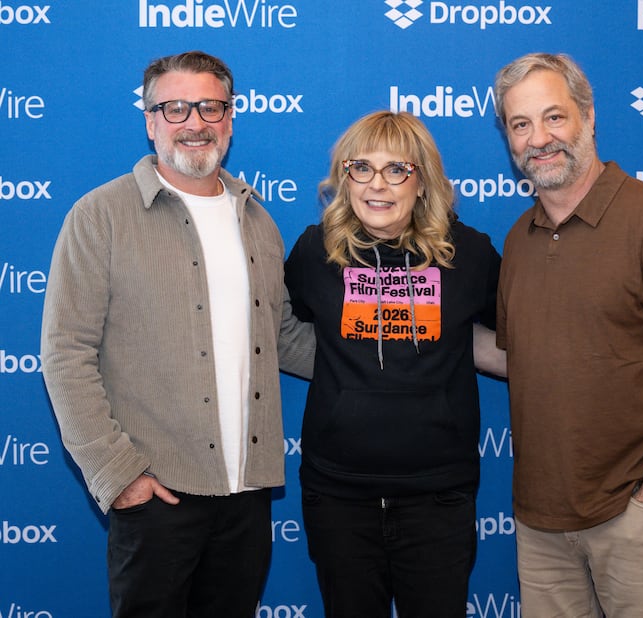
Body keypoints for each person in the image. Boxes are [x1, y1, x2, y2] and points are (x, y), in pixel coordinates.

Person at [40, 50, 314, 618]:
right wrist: (118, 476)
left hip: (247, 496)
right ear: (149, 120)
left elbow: (284, 336)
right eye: (175, 108)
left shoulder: (257, 221)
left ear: (231, 118)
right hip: (155, 495)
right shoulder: (100, 216)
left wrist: (399, 351)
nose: (194, 122)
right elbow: (66, 355)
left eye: (210, 107)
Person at [492, 52, 643, 617]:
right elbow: (516, 357)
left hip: (630, 518)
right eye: (520, 124)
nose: (538, 139)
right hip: (539, 523)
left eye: (554, 117)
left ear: (589, 118)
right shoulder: (518, 238)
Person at [284, 110, 502, 618]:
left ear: (422, 180)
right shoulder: (314, 252)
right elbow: (279, 329)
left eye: (396, 169)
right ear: (344, 177)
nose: (376, 185)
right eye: (361, 168)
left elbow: (511, 337)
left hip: (438, 496)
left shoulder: (469, 254)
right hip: (339, 496)